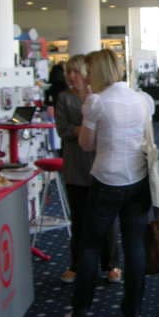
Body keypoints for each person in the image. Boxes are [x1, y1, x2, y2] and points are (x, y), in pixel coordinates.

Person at [65, 49, 155, 317]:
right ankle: (132, 313)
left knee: (90, 245)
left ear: (99, 72)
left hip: (107, 180)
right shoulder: (142, 99)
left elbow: (86, 144)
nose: (87, 76)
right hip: (138, 179)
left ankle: (81, 311)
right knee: (135, 246)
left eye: (89, 70)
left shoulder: (96, 102)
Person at [54, 55, 122, 286]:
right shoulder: (64, 98)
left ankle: (111, 264)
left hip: (101, 163)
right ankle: (76, 264)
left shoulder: (100, 96)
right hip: (76, 165)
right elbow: (63, 130)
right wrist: (88, 128)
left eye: (77, 72)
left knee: (107, 218)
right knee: (80, 219)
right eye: (69, 73)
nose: (73, 77)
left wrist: (86, 129)